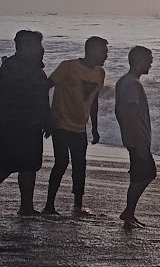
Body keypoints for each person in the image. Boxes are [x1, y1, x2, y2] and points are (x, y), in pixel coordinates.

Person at [43, 34, 108, 216]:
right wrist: (48, 116)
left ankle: (78, 206)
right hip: (60, 124)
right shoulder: (68, 66)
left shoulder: (99, 73)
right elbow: (45, 87)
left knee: (80, 166)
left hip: (80, 127)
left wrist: (94, 127)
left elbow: (94, 100)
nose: (106, 56)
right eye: (104, 52)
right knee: (61, 163)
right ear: (93, 51)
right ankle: (49, 205)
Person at [0, 30, 51, 217]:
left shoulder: (34, 68)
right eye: (37, 45)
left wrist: (46, 118)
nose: (41, 49)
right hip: (14, 124)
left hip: (31, 125)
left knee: (29, 166)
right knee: (7, 164)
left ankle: (26, 207)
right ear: (25, 47)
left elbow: (42, 97)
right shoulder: (13, 67)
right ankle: (26, 207)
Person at [114, 46, 155, 232]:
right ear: (138, 60)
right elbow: (130, 112)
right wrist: (139, 142)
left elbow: (118, 111)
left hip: (132, 138)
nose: (151, 63)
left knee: (139, 174)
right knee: (146, 173)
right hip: (138, 140)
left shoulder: (124, 81)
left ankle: (129, 212)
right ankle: (128, 212)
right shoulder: (132, 84)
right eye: (148, 59)